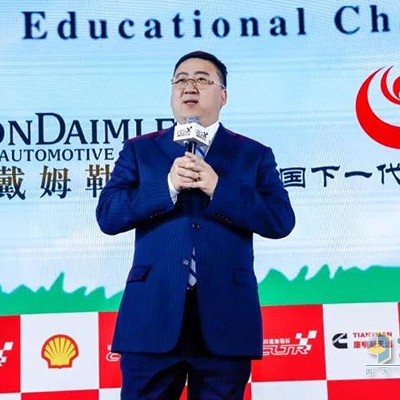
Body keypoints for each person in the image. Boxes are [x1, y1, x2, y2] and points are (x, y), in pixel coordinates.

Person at [96, 50, 295, 400]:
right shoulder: (141, 150)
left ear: (223, 95)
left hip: (225, 320)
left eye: (202, 79)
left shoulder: (253, 154)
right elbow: (108, 216)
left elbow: (280, 220)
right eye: (181, 80)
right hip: (151, 316)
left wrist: (219, 189)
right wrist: (167, 187)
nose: (190, 86)